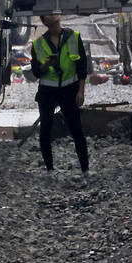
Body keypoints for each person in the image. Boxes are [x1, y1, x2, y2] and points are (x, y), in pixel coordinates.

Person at [30, 14, 90, 180]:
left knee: (77, 130)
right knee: (45, 130)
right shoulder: (38, 44)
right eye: (47, 15)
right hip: (47, 91)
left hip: (69, 90)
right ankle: (50, 169)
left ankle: (85, 169)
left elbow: (82, 66)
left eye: (53, 12)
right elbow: (35, 72)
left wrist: (81, 91)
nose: (52, 15)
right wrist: (46, 65)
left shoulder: (73, 37)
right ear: (44, 21)